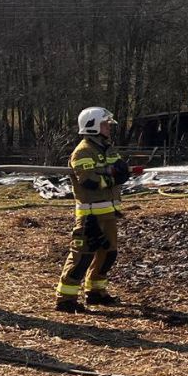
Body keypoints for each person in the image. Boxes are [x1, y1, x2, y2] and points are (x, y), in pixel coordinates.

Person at [54, 107, 131, 314]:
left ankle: (96, 292)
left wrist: (119, 172)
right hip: (89, 215)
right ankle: (66, 298)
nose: (109, 128)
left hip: (109, 213)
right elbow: (88, 180)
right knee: (82, 256)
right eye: (105, 124)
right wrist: (113, 177)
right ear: (93, 126)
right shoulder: (83, 151)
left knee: (109, 254)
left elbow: (121, 168)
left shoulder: (107, 148)